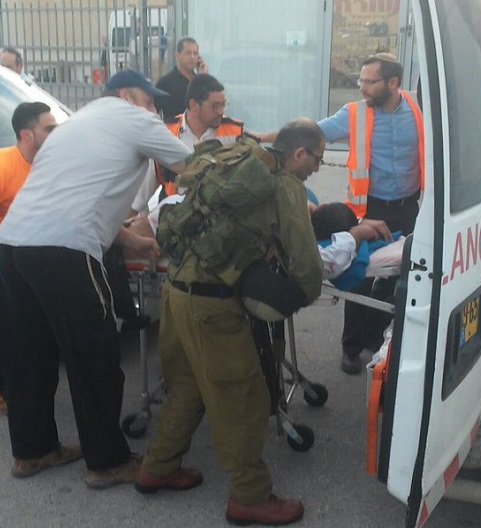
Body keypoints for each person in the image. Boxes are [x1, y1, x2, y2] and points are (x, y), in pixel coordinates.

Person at [0, 70, 192, 488]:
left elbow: (71, 194)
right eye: (147, 100)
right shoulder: (133, 118)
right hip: (65, 252)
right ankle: (106, 461)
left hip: (14, 246)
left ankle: (33, 453)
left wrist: (125, 239)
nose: (152, 109)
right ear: (124, 95)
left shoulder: (73, 125)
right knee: (96, 356)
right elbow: (193, 167)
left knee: (28, 356)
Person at [134, 118, 324, 526]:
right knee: (245, 399)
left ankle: (159, 465)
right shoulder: (283, 183)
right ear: (299, 153)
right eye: (318, 160)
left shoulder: (231, 158)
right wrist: (304, 294)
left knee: (186, 387)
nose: (317, 170)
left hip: (176, 292)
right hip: (213, 306)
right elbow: (305, 258)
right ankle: (250, 497)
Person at [317, 52, 424, 375]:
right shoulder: (354, 114)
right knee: (359, 275)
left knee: (399, 278)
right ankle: (351, 348)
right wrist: (263, 140)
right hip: (367, 208)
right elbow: (311, 133)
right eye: (360, 79)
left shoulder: (420, 110)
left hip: (407, 209)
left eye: (368, 81)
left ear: (393, 83)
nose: (361, 87)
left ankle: (376, 339)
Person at [0, 102, 57, 416]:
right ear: (26, 134)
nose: (56, 133)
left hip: (37, 258)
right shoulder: (4, 164)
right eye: (49, 128)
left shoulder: (50, 167)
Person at [131, 72, 243, 214]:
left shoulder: (235, 133)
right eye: (215, 106)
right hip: (175, 221)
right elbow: (140, 197)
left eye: (223, 105)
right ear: (194, 105)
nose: (221, 111)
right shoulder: (166, 135)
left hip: (221, 223)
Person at [155, 36, 208, 120]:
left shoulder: (201, 81)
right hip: (175, 130)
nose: (192, 57)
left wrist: (203, 78)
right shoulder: (165, 83)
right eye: (188, 53)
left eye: (195, 53)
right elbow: (153, 112)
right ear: (177, 55)